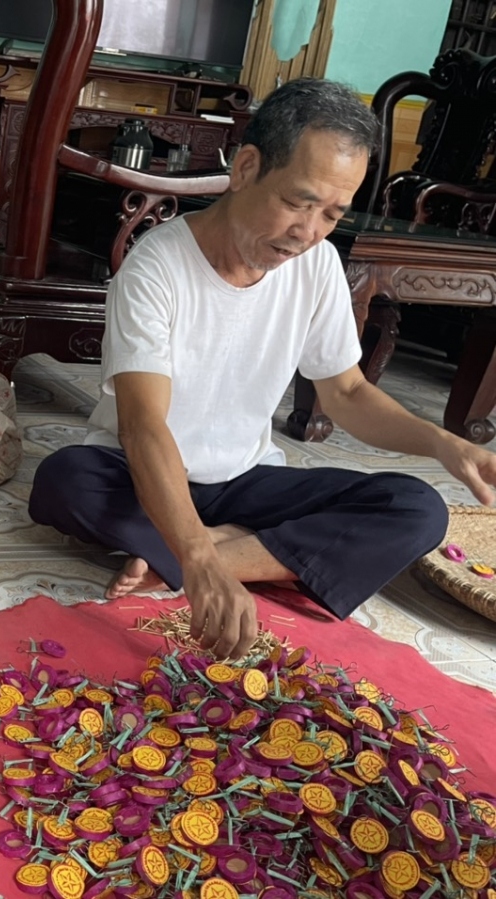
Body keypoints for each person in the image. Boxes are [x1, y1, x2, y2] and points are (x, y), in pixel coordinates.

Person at [29, 78, 496, 659]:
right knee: (65, 480)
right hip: (139, 473)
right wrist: (196, 557)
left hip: (246, 481)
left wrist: (445, 445)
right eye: (299, 202)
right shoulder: (157, 268)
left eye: (332, 212)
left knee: (417, 508)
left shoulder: (318, 264)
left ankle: (204, 554)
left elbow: (347, 392)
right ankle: (238, 553)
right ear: (247, 167)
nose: (309, 232)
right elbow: (143, 426)